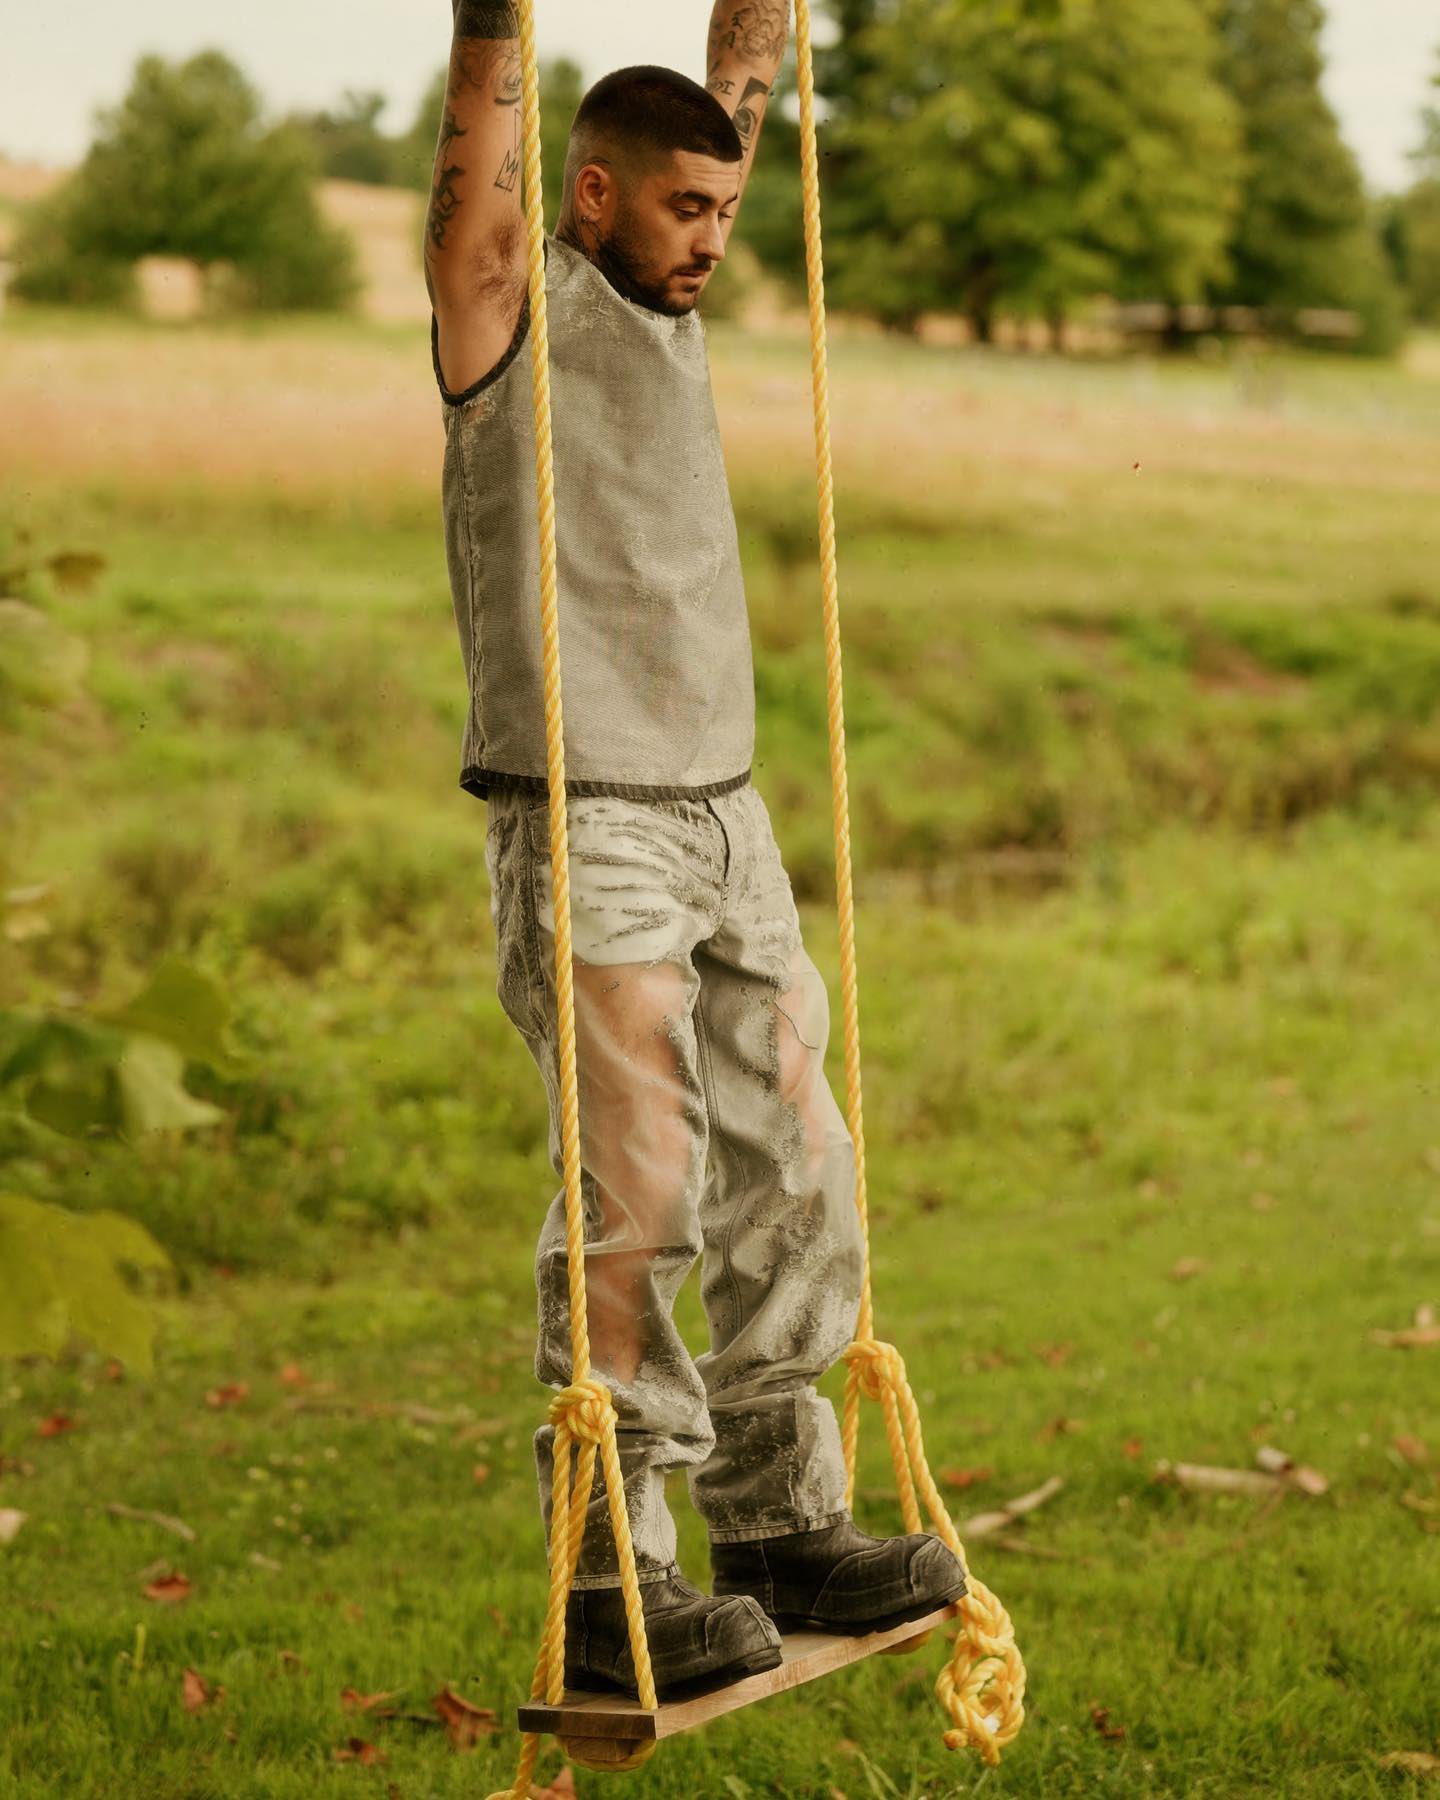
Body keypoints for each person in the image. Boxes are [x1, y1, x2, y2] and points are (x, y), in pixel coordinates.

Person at [424, 0, 966, 1701]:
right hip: (589, 817)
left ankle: (780, 1519)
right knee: (639, 1187)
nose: (713, 244)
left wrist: (757, 41)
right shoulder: (508, 315)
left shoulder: (672, 293)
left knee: (803, 1164)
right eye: (684, 211)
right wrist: (487, 24)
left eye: (727, 214)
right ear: (590, 196)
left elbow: (740, 61)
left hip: (728, 814)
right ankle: (613, 1568)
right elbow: (474, 199)